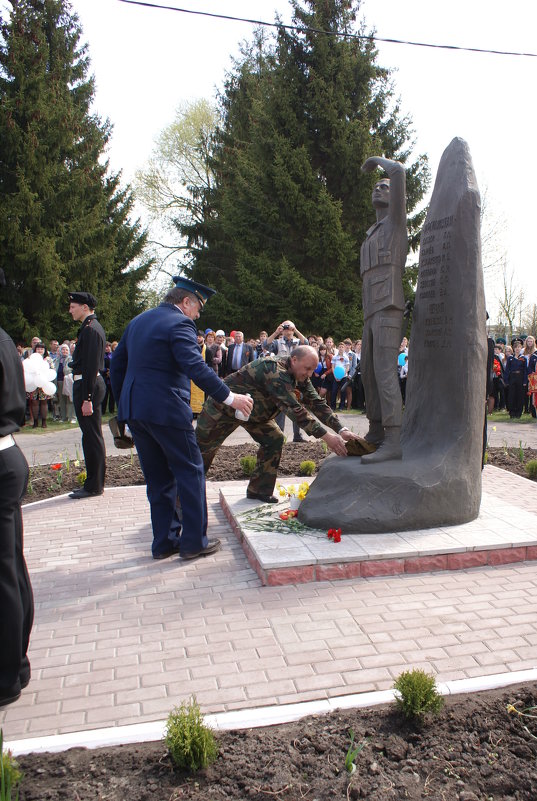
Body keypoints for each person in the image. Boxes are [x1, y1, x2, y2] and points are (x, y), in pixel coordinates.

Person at [110, 277, 253, 560]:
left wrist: (123, 407)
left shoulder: (138, 321)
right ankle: (193, 542)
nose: (198, 315)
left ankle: (163, 542)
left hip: (137, 411)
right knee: (190, 470)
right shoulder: (180, 323)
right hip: (167, 410)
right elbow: (195, 366)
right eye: (198, 307)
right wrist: (230, 397)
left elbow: (118, 365)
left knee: (158, 479)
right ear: (186, 302)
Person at [196, 345, 358, 503]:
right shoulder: (274, 371)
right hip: (223, 409)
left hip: (255, 413)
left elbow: (317, 403)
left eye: (312, 370)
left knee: (274, 439)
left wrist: (341, 429)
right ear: (294, 360)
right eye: (307, 369)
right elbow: (295, 410)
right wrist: (326, 437)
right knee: (201, 452)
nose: (309, 375)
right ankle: (184, 499)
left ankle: (259, 490)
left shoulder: (300, 375)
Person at [359, 156, 408, 462]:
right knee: (368, 374)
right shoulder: (372, 232)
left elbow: (399, 171)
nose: (379, 189)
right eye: (375, 187)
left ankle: (393, 439)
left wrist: (376, 162)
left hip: (389, 305)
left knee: (385, 371)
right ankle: (376, 429)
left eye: (385, 187)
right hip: (370, 309)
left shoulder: (396, 223)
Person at [0, 268, 34, 707]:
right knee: (11, 566)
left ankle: (7, 674)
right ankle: (16, 666)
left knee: (4, 572)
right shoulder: (5, 338)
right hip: (8, 452)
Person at [67, 291, 107, 499]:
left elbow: (91, 366)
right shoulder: (89, 327)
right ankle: (93, 482)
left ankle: (94, 485)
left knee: (92, 437)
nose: (70, 310)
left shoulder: (91, 330)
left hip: (87, 384)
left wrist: (87, 398)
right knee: (91, 435)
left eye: (73, 307)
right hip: (86, 383)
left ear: (84, 307)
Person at [265, 320, 308, 441]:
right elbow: (265, 345)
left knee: (298, 406)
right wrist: (276, 332)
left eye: (289, 328)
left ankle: (297, 435)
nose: (287, 330)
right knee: (281, 407)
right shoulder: (278, 342)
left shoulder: (298, 341)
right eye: (285, 328)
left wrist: (296, 330)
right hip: (282, 378)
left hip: (296, 378)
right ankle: (280, 435)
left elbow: (307, 343)